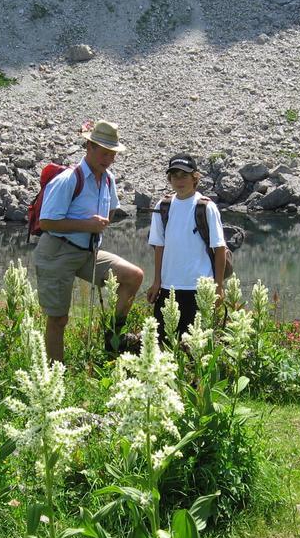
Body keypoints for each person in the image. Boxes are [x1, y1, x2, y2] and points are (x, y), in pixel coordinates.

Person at [34, 119, 144, 363]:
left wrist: (98, 225)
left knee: (133, 276)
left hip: (87, 252)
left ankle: (113, 339)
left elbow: (112, 210)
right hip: (57, 251)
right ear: (89, 147)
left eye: (112, 154)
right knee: (58, 318)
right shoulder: (68, 179)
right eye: (104, 153)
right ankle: (54, 374)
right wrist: (87, 225)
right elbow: (47, 223)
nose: (108, 159)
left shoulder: (108, 179)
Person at [146, 153, 228, 341]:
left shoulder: (206, 208)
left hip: (199, 289)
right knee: (163, 343)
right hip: (168, 287)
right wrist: (157, 281)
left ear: (195, 177)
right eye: (174, 175)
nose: (179, 180)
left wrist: (218, 287)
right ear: (169, 179)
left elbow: (220, 248)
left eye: (184, 175)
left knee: (195, 347)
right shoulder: (163, 206)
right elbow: (159, 246)